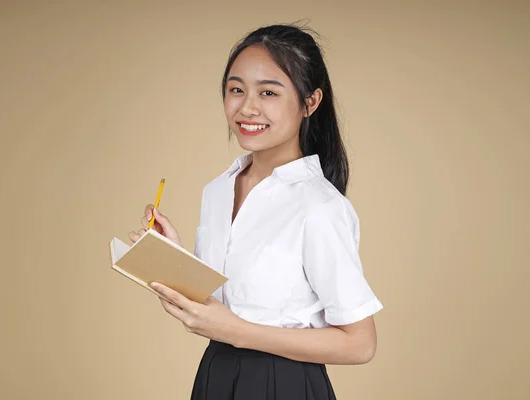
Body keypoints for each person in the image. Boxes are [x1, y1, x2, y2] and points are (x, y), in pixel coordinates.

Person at [129, 23, 383, 400]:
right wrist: (173, 258)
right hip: (216, 374)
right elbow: (223, 304)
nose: (247, 107)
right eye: (236, 90)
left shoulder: (320, 206)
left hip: (286, 383)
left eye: (268, 92)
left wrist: (237, 332)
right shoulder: (217, 190)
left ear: (310, 102)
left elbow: (361, 344)